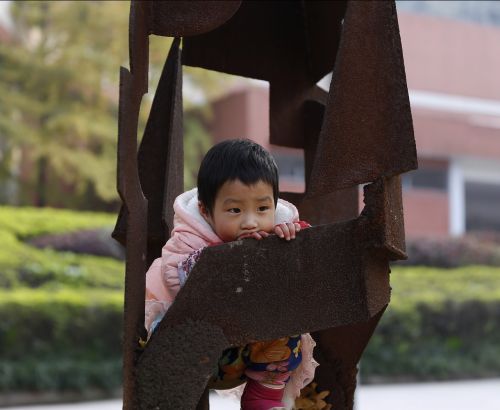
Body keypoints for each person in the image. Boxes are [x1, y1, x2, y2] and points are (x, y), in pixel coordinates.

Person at [144, 139, 317, 410]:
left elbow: (302, 272)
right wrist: (240, 255)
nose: (250, 222)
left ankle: (263, 399)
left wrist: (289, 241)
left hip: (248, 356)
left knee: (288, 322)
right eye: (235, 210)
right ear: (206, 210)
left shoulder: (275, 230)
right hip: (196, 360)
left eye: (262, 209)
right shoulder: (189, 240)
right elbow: (186, 282)